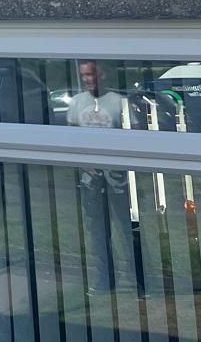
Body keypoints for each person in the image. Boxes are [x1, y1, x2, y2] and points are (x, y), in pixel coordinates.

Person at [68, 61, 135, 295]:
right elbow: (70, 140)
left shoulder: (118, 102)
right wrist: (84, 164)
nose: (88, 79)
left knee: (128, 230)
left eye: (92, 74)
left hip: (118, 180)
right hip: (91, 181)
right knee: (97, 232)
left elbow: (132, 139)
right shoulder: (76, 103)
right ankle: (104, 279)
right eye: (84, 75)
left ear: (102, 75)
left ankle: (138, 278)